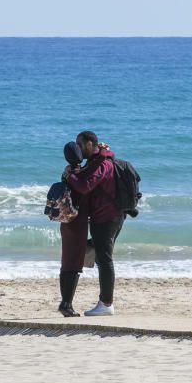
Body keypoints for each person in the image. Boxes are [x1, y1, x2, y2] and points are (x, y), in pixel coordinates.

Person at [65, 130, 123, 317]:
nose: (79, 149)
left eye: (80, 145)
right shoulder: (95, 162)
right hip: (102, 216)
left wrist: (70, 177)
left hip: (108, 217)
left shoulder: (103, 164)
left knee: (104, 259)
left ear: (91, 144)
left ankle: (106, 304)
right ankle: (105, 302)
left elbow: (85, 186)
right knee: (99, 256)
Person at [56, 141, 87, 317]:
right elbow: (85, 189)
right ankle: (66, 304)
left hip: (66, 220)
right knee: (75, 264)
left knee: (66, 262)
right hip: (78, 220)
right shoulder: (78, 174)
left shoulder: (66, 171)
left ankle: (65, 302)